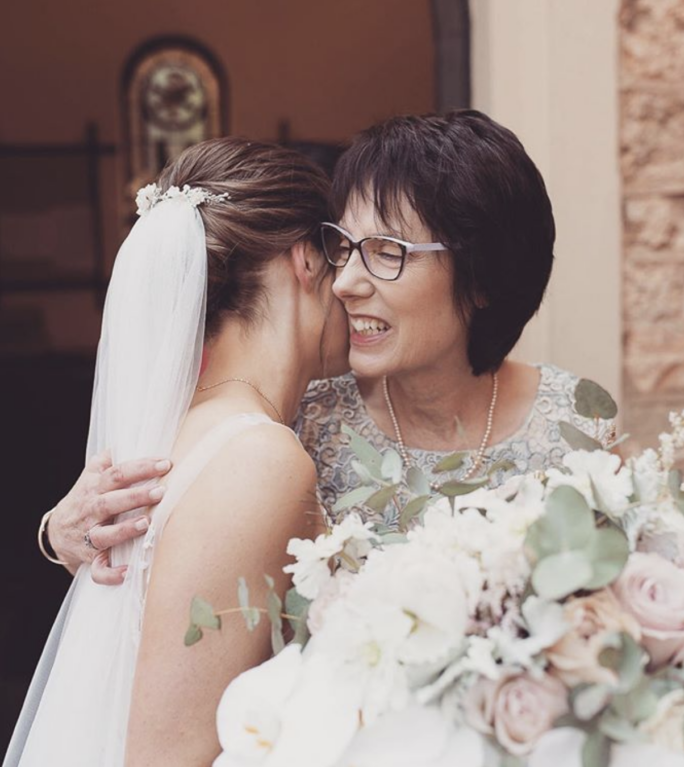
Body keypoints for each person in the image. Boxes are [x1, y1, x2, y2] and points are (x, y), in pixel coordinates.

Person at [43, 110, 615, 580]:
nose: (345, 281)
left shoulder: (578, 422)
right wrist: (58, 530)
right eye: (344, 245)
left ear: (485, 276)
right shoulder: (296, 423)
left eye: (388, 251)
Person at [6, 137, 348, 766]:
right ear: (307, 257)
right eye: (344, 253)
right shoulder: (258, 459)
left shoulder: (186, 432)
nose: (353, 283)